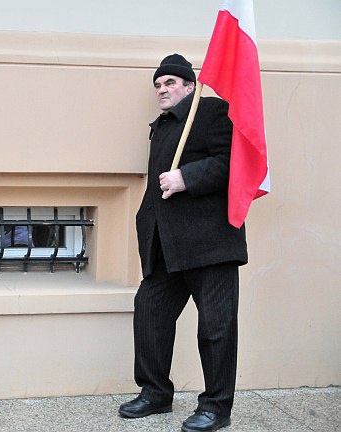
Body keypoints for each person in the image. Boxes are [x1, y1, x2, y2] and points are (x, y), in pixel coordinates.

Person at [118, 55, 247, 432]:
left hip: (210, 244)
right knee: (150, 312)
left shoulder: (209, 111)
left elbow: (233, 161)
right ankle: (156, 393)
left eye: (171, 82)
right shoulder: (160, 127)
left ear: (190, 86)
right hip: (167, 245)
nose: (163, 89)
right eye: (158, 85)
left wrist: (186, 177)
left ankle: (216, 407)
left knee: (215, 328)